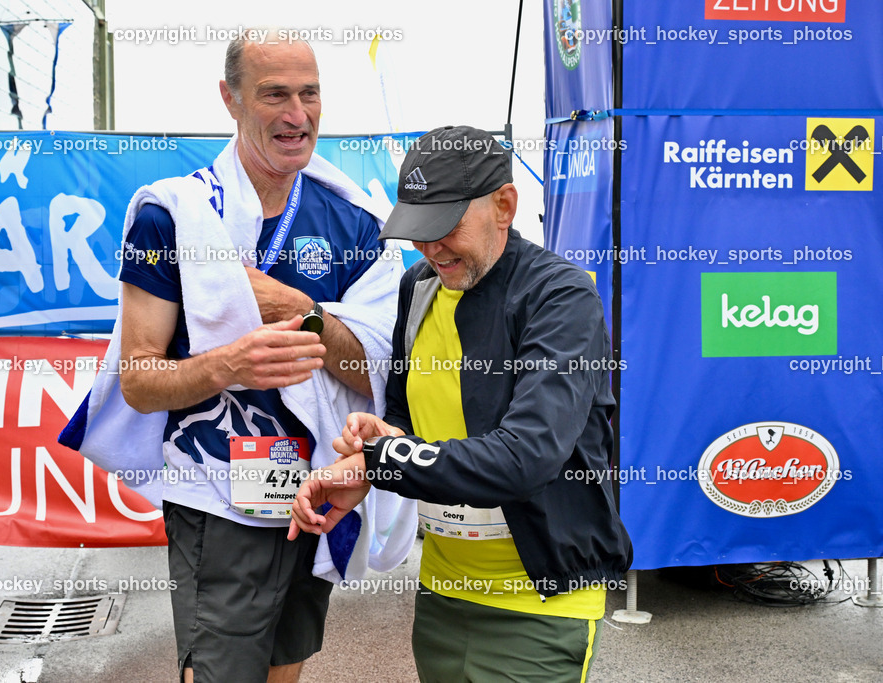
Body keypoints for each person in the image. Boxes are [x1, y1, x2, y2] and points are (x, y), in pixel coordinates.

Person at [63, 35, 412, 683]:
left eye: (309, 94)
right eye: (274, 94)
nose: (297, 114)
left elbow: (381, 374)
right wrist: (230, 365)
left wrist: (295, 310)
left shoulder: (357, 225)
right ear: (230, 98)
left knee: (285, 666)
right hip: (217, 496)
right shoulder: (173, 217)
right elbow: (138, 382)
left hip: (318, 487)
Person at [290, 125, 633, 682]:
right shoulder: (420, 285)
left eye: (445, 227)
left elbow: (525, 458)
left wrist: (384, 462)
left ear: (505, 205)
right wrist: (377, 448)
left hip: (538, 605)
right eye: (418, 231)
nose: (430, 248)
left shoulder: (561, 295)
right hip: (443, 594)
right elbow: (405, 418)